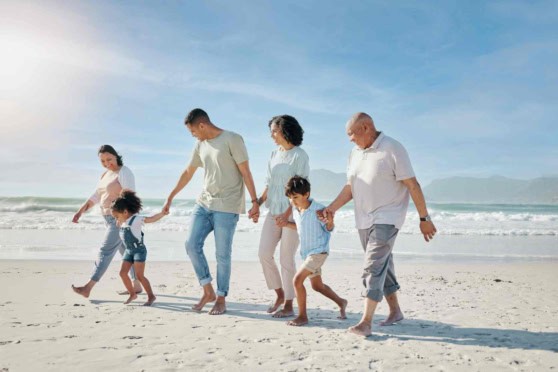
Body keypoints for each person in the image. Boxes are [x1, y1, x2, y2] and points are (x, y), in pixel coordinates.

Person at [320, 112, 437, 337]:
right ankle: (395, 311)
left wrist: (424, 218)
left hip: (387, 217)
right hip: (363, 219)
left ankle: (366, 322)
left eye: (351, 134)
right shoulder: (354, 154)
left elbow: (412, 184)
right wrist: (332, 208)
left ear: (366, 127)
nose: (350, 139)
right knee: (383, 265)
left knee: (373, 266)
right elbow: (351, 187)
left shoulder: (392, 148)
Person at [162, 108, 259, 315]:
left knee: (222, 254)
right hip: (204, 203)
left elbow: (246, 172)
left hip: (227, 206)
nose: (193, 135)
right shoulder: (200, 145)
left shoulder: (233, 139)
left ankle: (221, 297)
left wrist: (254, 202)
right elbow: (188, 172)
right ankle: (208, 290)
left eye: (193, 131)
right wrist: (171, 196)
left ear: (202, 125)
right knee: (191, 245)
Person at [71, 145, 142, 298]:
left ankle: (88, 287)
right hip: (108, 218)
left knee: (105, 251)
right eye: (102, 161)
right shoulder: (105, 175)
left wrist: (123, 220)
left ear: (116, 156)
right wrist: (81, 211)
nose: (107, 163)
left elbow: (129, 197)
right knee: (127, 252)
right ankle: (136, 285)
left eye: (109, 159)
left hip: (119, 219)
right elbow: (97, 195)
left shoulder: (124, 172)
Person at [256, 115, 309, 318]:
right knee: (264, 253)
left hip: (293, 214)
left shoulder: (299, 155)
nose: (272, 135)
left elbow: (299, 188)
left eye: (275, 131)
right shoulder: (274, 154)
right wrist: (257, 205)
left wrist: (287, 216)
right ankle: (279, 294)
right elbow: (269, 185)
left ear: (285, 131)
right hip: (273, 211)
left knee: (286, 259)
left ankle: (288, 303)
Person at [278, 176, 347, 326]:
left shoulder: (319, 210)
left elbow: (329, 229)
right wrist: (285, 224)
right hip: (306, 254)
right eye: (290, 198)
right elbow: (301, 228)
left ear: (306, 194)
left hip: (318, 253)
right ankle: (341, 302)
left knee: (297, 280)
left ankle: (302, 316)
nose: (293, 201)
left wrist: (330, 221)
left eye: (296, 197)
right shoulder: (297, 210)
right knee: (317, 286)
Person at [111, 190, 168, 306]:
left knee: (139, 276)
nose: (116, 219)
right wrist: (119, 221)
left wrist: (162, 213)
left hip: (139, 251)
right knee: (122, 273)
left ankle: (151, 296)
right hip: (129, 250)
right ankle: (133, 294)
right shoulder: (123, 222)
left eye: (117, 216)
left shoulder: (136, 219)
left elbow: (151, 219)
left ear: (125, 212)